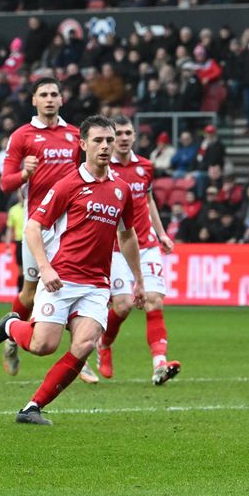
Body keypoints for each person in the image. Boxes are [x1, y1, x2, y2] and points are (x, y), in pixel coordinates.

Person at [0, 114, 145, 425]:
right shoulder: (68, 184)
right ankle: (10, 327)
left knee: (83, 345)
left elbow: (127, 235)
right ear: (82, 144)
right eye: (98, 140)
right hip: (62, 277)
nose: (105, 146)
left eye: (109, 140)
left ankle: (32, 408)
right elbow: (32, 227)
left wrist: (138, 281)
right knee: (43, 346)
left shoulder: (122, 190)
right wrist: (45, 268)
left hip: (97, 284)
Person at [0, 77, 99, 382]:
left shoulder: (75, 135)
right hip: (38, 225)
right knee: (29, 292)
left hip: (74, 225)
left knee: (73, 286)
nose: (50, 99)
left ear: (62, 100)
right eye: (44, 95)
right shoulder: (22, 136)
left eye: (55, 94)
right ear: (34, 101)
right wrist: (24, 173)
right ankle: (12, 339)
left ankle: (79, 353)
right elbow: (5, 183)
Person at [95, 116, 181, 386]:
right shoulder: (103, 167)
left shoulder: (145, 166)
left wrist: (162, 233)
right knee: (123, 305)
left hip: (146, 243)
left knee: (154, 299)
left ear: (134, 136)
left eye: (127, 133)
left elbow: (149, 200)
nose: (122, 138)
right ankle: (103, 344)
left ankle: (159, 364)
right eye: (117, 133)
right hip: (116, 246)